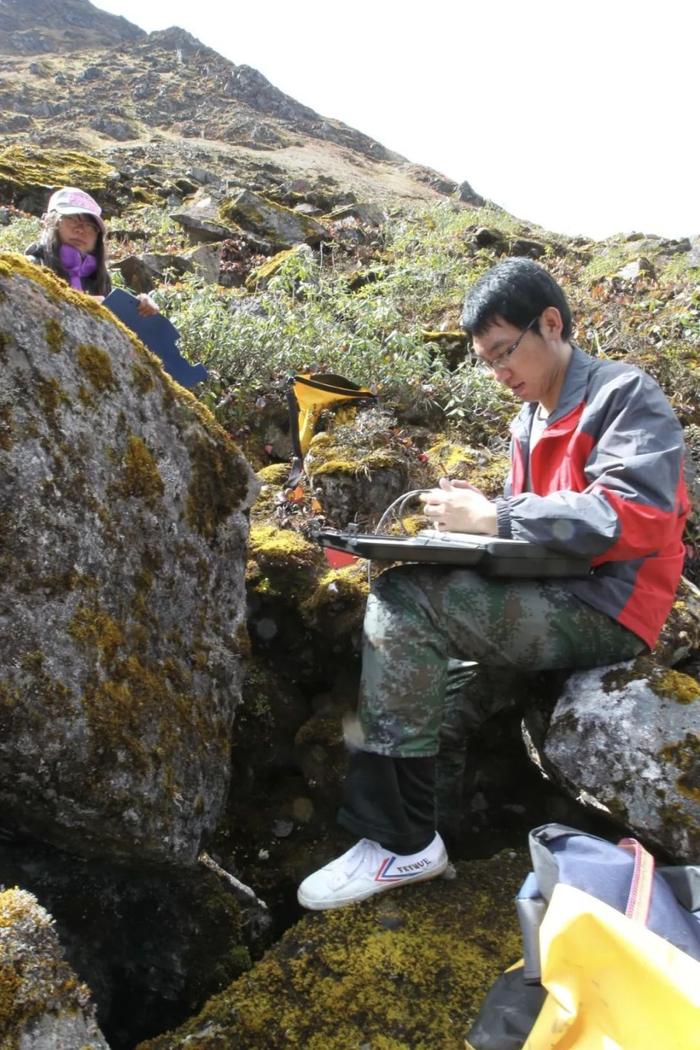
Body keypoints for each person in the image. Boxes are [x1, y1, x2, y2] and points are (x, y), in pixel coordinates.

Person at [297, 257, 690, 911]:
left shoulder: (623, 395)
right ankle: (435, 855)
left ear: (553, 324)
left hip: (608, 605)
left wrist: (499, 516)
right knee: (434, 696)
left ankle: (398, 842)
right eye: (486, 359)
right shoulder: (528, 420)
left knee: (405, 602)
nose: (498, 372)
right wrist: (464, 538)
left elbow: (641, 515)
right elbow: (523, 533)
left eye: (505, 351)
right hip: (550, 591)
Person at [25, 186, 158, 315]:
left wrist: (137, 308)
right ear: (50, 222)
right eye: (71, 219)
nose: (80, 229)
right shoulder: (31, 267)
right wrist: (83, 305)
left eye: (90, 225)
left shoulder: (100, 280)